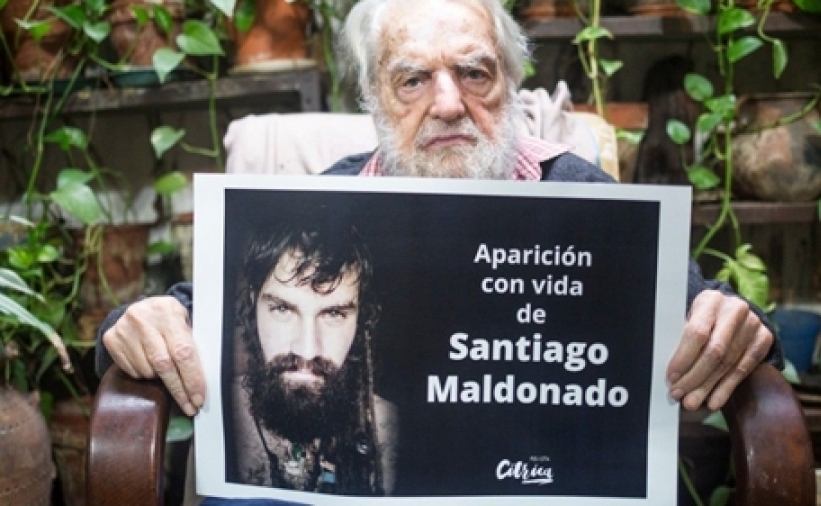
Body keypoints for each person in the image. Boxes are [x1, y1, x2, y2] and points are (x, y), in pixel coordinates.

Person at [96, 0, 780, 502]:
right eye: (413, 79)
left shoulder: (578, 193)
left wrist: (733, 323)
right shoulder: (327, 203)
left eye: (475, 73)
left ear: (511, 84)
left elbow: (710, 315)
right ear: (374, 98)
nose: (449, 103)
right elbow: (194, 312)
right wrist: (141, 323)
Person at [225, 220, 395, 495]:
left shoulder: (393, 435)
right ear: (254, 303)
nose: (306, 350)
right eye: (282, 309)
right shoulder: (216, 415)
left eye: (334, 314)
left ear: (360, 317)